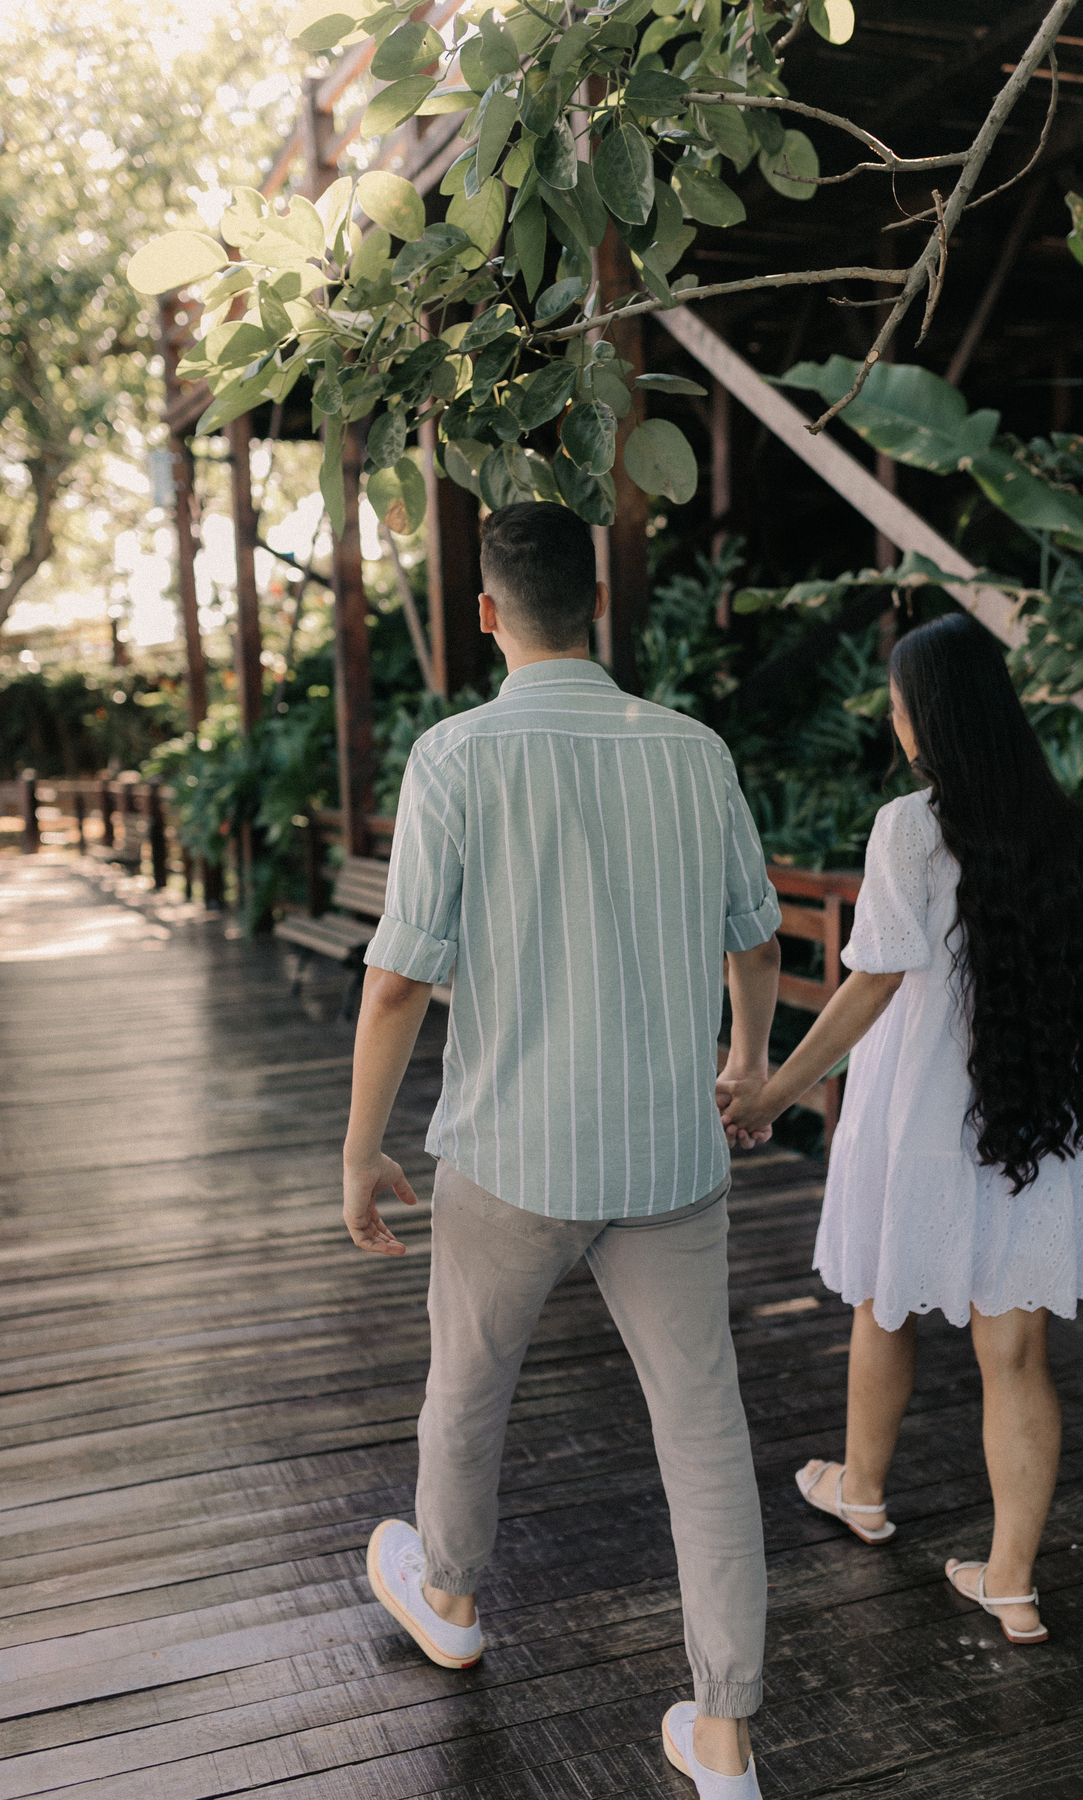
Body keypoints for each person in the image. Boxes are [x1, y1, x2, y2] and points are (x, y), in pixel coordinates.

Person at [341, 502, 782, 1798]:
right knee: (704, 1431)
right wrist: (749, 1058)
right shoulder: (692, 751)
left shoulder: (456, 757)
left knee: (468, 1387)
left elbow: (397, 982)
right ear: (597, 599)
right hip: (668, 1159)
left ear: (487, 613)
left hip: (510, 1155)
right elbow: (755, 937)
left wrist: (361, 1148)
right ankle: (726, 1743)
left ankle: (452, 1604)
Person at [718, 612, 1083, 1647]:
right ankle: (1011, 1583)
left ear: (926, 716)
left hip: (919, 1114)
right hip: (1033, 1114)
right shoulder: (1064, 826)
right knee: (1015, 1355)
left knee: (883, 1303)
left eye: (897, 706)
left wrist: (774, 1091)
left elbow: (873, 982)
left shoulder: (910, 827)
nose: (895, 723)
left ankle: (861, 1489)